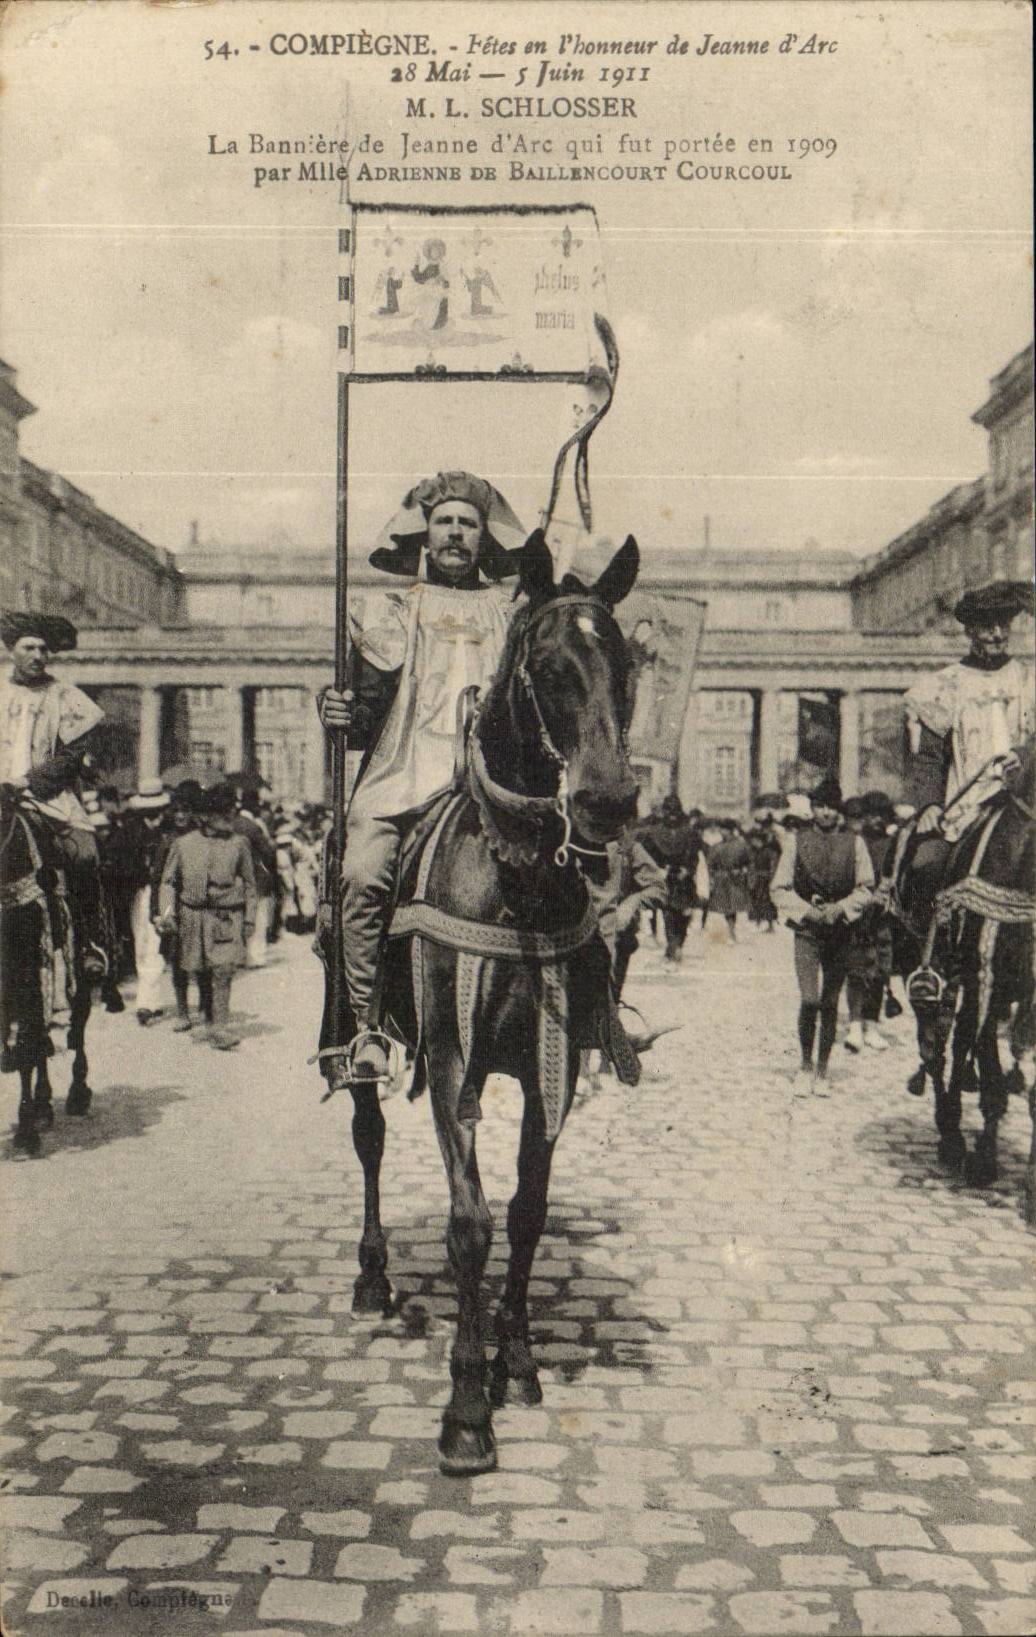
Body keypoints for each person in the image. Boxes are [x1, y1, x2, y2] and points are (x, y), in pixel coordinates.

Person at [318, 470, 527, 1084]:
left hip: (493, 778)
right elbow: (364, 713)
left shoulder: (511, 610)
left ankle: (596, 1007)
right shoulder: (390, 612)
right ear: (424, 535)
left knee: (579, 859)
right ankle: (365, 1024)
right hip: (404, 772)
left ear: (484, 536)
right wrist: (338, 710)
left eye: (468, 522)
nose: (457, 533)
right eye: (445, 522)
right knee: (360, 875)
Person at [0, 609, 107, 976]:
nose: (37, 656)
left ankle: (91, 942)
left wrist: (28, 781)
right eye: (29, 647)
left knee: (83, 854)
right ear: (11, 649)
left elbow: (72, 756)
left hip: (44, 796)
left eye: (44, 649)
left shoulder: (65, 696)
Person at [904, 579, 1033, 843]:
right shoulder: (944, 686)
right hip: (965, 809)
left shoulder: (1029, 680)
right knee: (925, 863)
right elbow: (929, 757)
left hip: (1025, 805)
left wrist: (1023, 755)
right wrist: (930, 805)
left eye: (1004, 625)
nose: (997, 634)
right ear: (970, 631)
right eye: (987, 627)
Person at [771, 777, 875, 1096]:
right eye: (819, 806)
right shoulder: (796, 841)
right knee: (809, 999)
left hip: (840, 933)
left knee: (830, 1002)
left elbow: (866, 887)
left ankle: (823, 1070)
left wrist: (841, 908)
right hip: (807, 932)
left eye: (831, 806)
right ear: (812, 809)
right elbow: (779, 888)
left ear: (839, 811)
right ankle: (804, 1065)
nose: (825, 812)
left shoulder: (854, 843)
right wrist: (806, 911)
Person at [158, 782, 256, 1051]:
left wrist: (249, 920)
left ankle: (220, 1027)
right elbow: (168, 882)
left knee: (223, 970)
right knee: (196, 968)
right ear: (206, 816)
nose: (230, 819)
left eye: (231, 813)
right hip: (191, 917)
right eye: (224, 813)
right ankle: (203, 1016)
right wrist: (168, 914)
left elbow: (250, 884)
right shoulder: (183, 844)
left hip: (226, 917)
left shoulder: (240, 844)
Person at [124, 777, 172, 1025]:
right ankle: (149, 1000)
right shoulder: (134, 832)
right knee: (143, 943)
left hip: (159, 893)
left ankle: (147, 1001)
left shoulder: (164, 832)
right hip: (140, 892)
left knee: (153, 943)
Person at [701, 819, 751, 942]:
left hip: (736, 880)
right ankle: (731, 931)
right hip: (722, 880)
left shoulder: (741, 845)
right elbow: (710, 864)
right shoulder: (717, 847)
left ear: (730, 831)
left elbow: (750, 862)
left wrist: (743, 871)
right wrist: (712, 879)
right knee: (726, 908)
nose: (722, 832)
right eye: (721, 829)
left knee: (733, 907)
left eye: (725, 830)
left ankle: (732, 930)